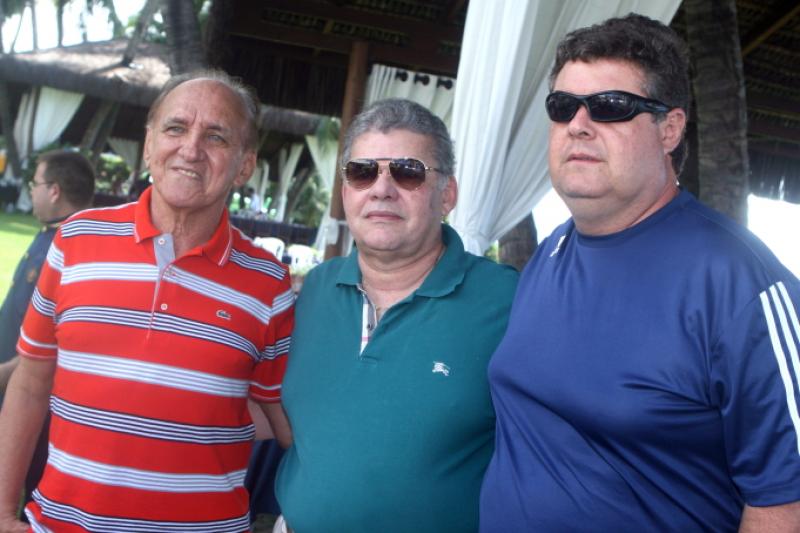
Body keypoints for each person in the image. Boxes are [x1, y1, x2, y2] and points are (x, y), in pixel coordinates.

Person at [480, 13, 800, 532]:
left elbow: (786, 502)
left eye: (610, 106)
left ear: (669, 129)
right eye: (562, 107)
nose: (578, 124)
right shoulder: (551, 253)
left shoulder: (739, 283)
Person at [0, 70, 294, 533]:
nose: (191, 149)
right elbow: (30, 383)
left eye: (216, 136)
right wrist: (2, 512)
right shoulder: (75, 240)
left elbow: (278, 415)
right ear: (150, 142)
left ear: (244, 166)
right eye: (176, 128)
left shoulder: (269, 283)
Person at [274, 98, 518, 533]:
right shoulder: (316, 289)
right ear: (345, 191)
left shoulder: (507, 300)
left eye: (407, 172)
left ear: (447, 194)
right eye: (362, 172)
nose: (381, 189)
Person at [0, 150, 94, 518]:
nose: (31, 191)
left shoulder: (74, 248)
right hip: (13, 386)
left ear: (54, 191)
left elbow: (55, 342)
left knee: (31, 494)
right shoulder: (52, 235)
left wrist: (5, 375)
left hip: (30, 398)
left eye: (35, 183)